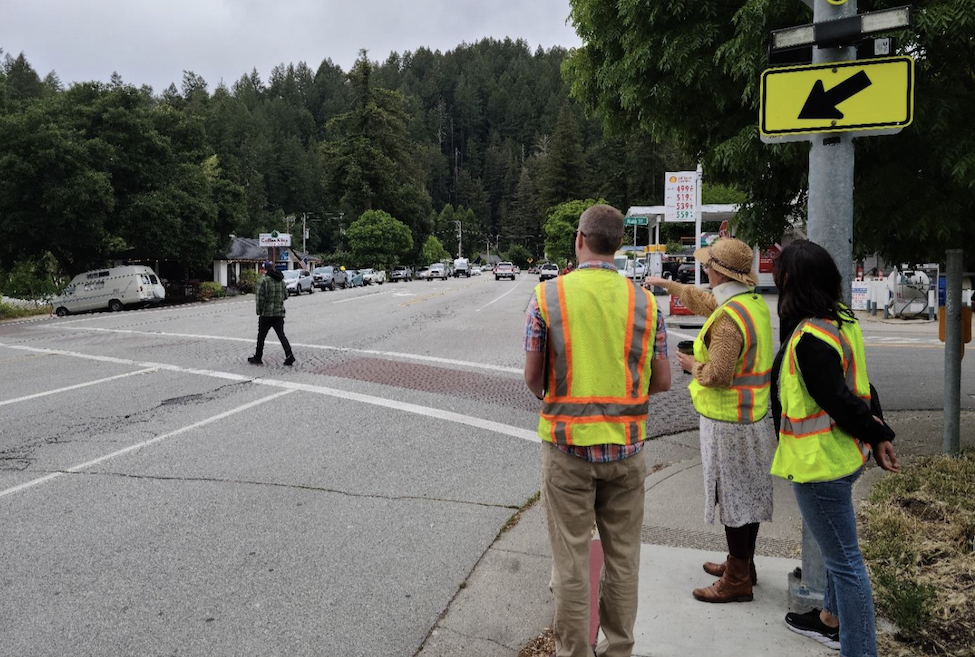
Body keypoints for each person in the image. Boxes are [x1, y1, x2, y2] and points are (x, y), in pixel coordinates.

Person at [524, 204, 671, 657]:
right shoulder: (645, 302)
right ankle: (620, 649)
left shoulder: (547, 297)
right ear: (620, 244)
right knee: (623, 558)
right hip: (626, 453)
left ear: (580, 238)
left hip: (567, 451)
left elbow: (533, 378)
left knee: (570, 562)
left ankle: (574, 652)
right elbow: (663, 381)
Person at [770, 241, 898, 655]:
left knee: (845, 565)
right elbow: (861, 386)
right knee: (839, 552)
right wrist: (877, 435)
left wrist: (880, 434)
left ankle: (858, 649)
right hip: (845, 454)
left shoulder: (809, 337)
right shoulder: (841, 320)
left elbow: (839, 399)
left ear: (791, 281)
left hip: (819, 463)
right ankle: (829, 619)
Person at [645, 237, 774, 604]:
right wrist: (668, 286)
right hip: (751, 415)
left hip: (729, 421)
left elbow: (718, 373)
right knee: (747, 497)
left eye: (707, 265)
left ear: (718, 271)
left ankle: (736, 580)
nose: (704, 270)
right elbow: (706, 301)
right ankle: (742, 565)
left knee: (733, 499)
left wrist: (690, 365)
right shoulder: (750, 303)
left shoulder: (730, 319)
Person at [248, 261, 295, 366]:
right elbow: (286, 296)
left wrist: (259, 311)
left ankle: (258, 357)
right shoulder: (281, 282)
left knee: (261, 336)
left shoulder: (263, 281)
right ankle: (289, 355)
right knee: (281, 335)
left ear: (265, 270)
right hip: (279, 314)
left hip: (266, 314)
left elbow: (259, 298)